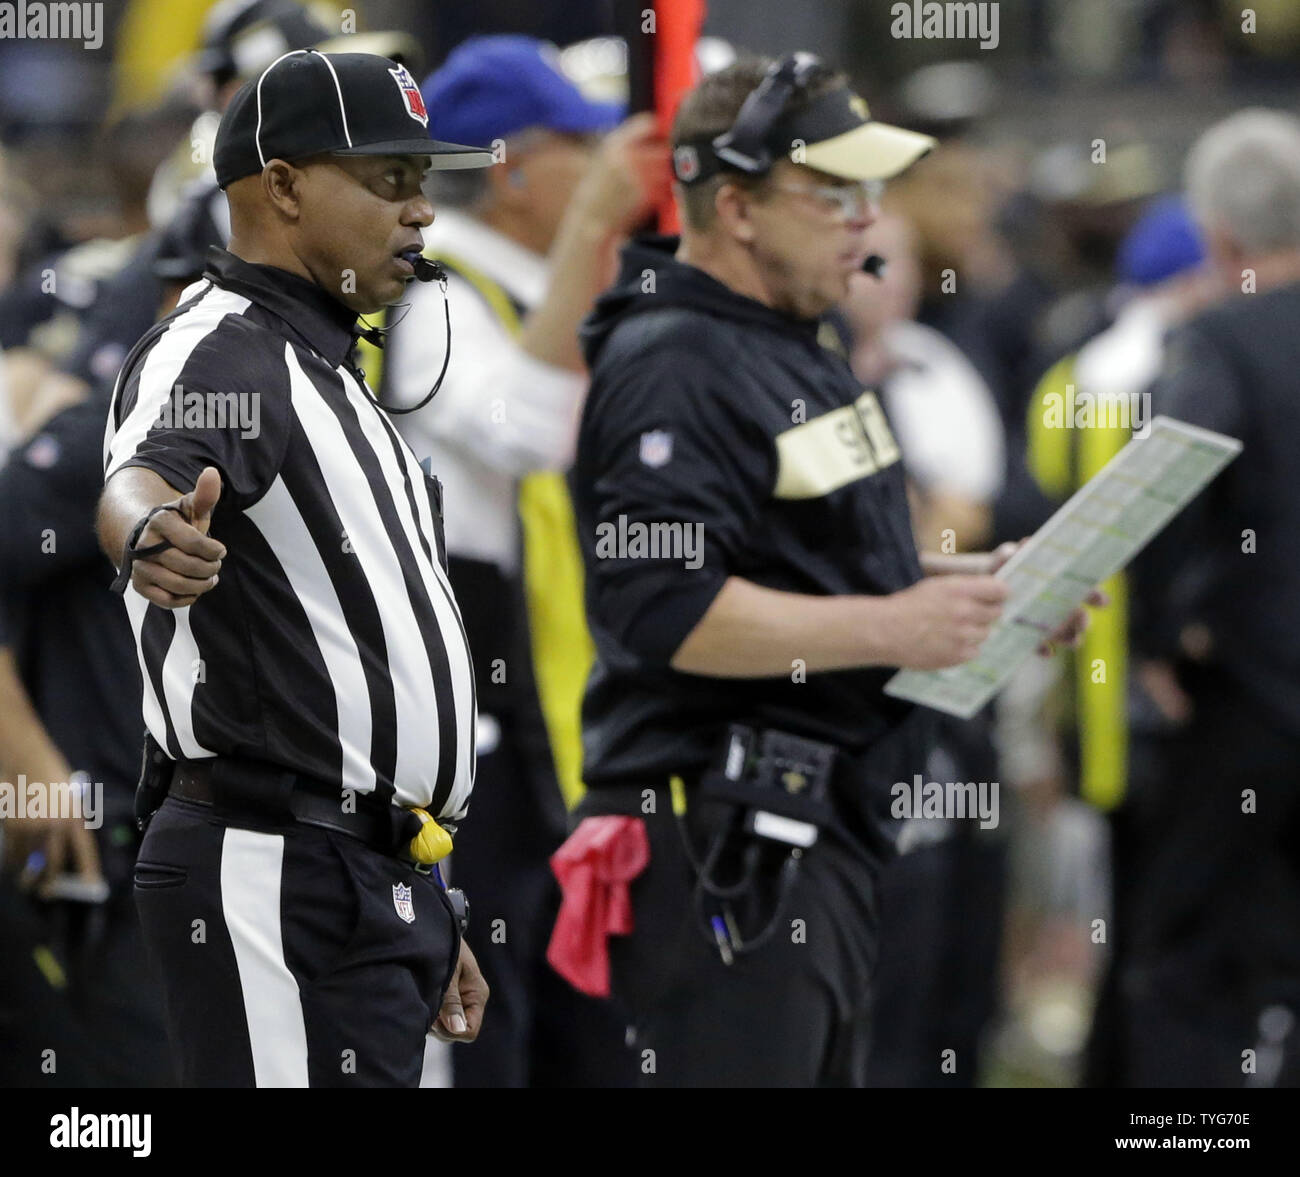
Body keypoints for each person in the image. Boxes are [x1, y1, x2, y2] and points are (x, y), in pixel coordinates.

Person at [553, 54, 1097, 1087]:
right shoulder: (674, 355)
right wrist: (897, 629)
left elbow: (818, 562)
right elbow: (661, 603)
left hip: (812, 830)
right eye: (831, 191)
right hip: (719, 840)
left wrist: (981, 587)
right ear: (737, 205)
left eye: (870, 191)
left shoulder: (794, 343)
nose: (863, 218)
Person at [96, 49, 495, 1088]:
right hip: (273, 860)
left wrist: (423, 896)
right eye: (388, 180)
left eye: (424, 185)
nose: (420, 215)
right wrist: (149, 536)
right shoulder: (224, 346)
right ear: (280, 184)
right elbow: (144, 475)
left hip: (366, 871)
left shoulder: (335, 375)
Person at [379, 36, 665, 1087]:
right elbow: (525, 430)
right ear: (508, 168)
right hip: (465, 686)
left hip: (538, 687)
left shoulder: (514, 291)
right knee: (482, 1001)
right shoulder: (435, 296)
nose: (605, 179)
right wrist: (596, 232)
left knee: (557, 995)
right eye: (580, 154)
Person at [1117, 109, 1300, 1088]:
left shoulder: (1219, 337)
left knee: (1188, 957)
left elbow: (1163, 487)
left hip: (1249, 702)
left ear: (1218, 237)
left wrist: (1151, 637)